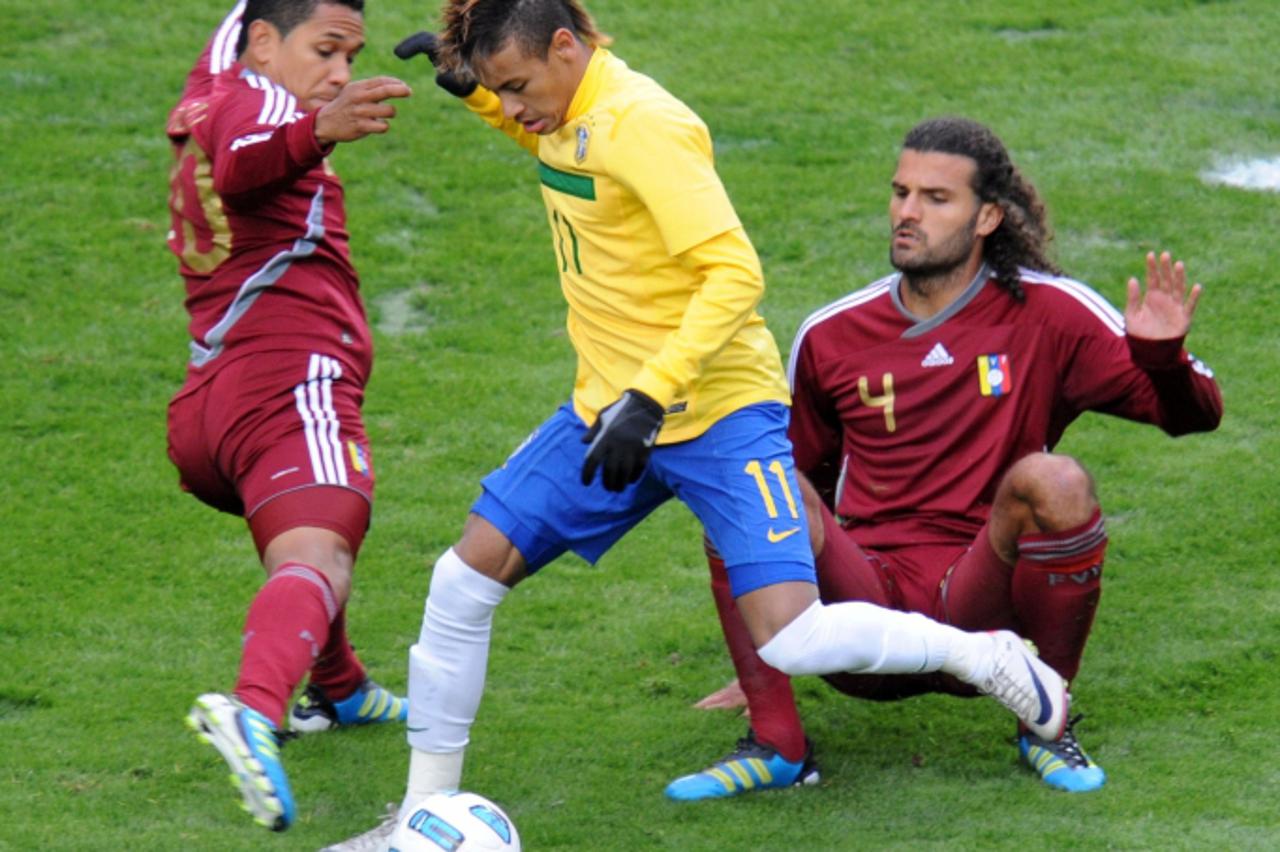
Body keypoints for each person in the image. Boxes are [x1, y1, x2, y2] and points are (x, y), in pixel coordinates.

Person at [327, 8, 1071, 849]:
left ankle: (986, 656)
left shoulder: (646, 126)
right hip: (609, 412)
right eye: (501, 90)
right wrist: (482, 104)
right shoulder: (571, 116)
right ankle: (414, 823)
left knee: (793, 637)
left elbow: (733, 273)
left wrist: (651, 398)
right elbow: (568, 159)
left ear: (566, 48)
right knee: (461, 581)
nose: (516, 105)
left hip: (714, 413)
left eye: (518, 86)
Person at [677, 116, 1223, 799]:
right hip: (866, 607)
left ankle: (1044, 719)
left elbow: (1196, 416)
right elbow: (799, 485)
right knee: (749, 488)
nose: (907, 212)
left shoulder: (1049, 314)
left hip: (982, 601)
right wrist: (773, 644)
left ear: (988, 215)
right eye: (901, 193)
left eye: (936, 199)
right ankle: (777, 740)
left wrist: (1161, 360)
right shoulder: (833, 334)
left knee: (1055, 480)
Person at [165, 0, 414, 832]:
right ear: (266, 45)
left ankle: (337, 686)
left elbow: (243, 24)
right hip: (288, 380)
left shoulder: (216, 82)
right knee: (323, 546)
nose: (340, 72)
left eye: (352, 55)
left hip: (214, 398)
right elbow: (243, 167)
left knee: (301, 540)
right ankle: (254, 708)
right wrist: (321, 130)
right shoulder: (270, 109)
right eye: (327, 50)